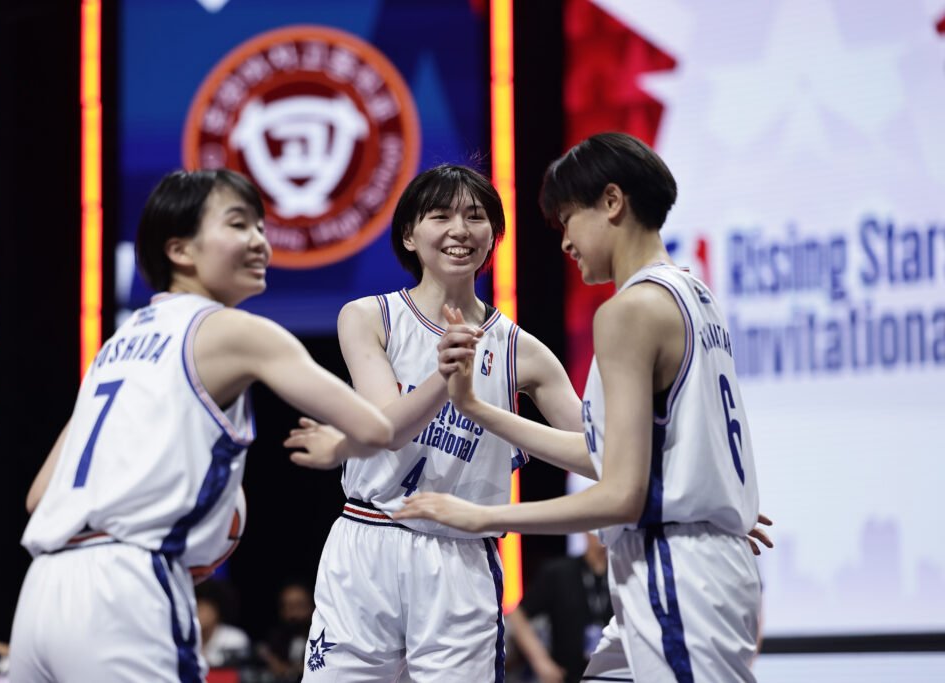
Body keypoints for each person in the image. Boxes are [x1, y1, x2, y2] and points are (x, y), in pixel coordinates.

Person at [397, 132, 766, 682]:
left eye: (567, 219)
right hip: (676, 562)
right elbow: (608, 452)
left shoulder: (628, 311)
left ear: (612, 202)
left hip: (677, 568)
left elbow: (619, 494)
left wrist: (484, 516)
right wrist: (475, 408)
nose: (565, 241)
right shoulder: (693, 293)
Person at [9, 169, 393, 683]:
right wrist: (339, 446)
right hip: (125, 589)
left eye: (261, 227)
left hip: (41, 590)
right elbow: (376, 430)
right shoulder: (236, 330)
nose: (260, 242)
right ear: (180, 250)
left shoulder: (114, 347)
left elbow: (39, 496)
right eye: (238, 224)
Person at [286, 164, 591, 682]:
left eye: (475, 217)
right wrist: (444, 376)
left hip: (461, 554)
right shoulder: (369, 317)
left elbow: (598, 454)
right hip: (369, 538)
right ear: (409, 234)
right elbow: (386, 428)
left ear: (494, 236)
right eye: (441, 216)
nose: (460, 230)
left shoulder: (522, 352)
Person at [507, 534, 614, 683]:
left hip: (613, 675)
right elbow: (517, 615)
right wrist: (541, 661)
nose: (601, 533)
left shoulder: (622, 574)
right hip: (566, 676)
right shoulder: (559, 572)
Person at [257, 581, 314, 681]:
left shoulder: (321, 639)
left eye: (299, 606)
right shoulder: (274, 638)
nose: (294, 614)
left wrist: (289, 670)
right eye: (288, 606)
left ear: (312, 607)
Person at [195, 580, 251, 669]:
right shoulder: (187, 637)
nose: (199, 614)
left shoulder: (235, 638)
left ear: (216, 612)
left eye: (203, 609)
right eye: (197, 608)